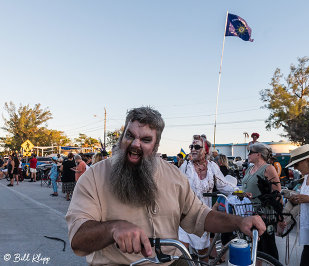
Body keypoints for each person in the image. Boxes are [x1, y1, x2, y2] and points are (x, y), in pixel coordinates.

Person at [65, 107, 265, 265]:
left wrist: (239, 222)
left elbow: (199, 216)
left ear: (156, 146)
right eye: (129, 135)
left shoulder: (174, 177)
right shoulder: (93, 177)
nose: (135, 144)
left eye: (145, 140)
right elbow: (78, 237)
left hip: (172, 261)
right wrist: (113, 229)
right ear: (121, 137)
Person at [178, 135, 238, 261]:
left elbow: (224, 185)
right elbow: (175, 185)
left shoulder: (212, 167)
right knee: (182, 254)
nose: (193, 149)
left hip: (203, 216)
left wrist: (239, 192)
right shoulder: (185, 167)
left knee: (203, 255)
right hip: (185, 215)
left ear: (205, 151)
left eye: (197, 147)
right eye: (191, 146)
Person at [242, 143, 282, 260]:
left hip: (264, 213)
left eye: (250, 152)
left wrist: (280, 218)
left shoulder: (268, 168)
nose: (248, 154)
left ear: (258, 154)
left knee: (268, 247)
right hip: (248, 212)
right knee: (255, 247)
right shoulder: (250, 168)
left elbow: (277, 193)